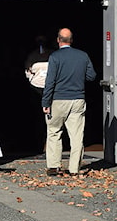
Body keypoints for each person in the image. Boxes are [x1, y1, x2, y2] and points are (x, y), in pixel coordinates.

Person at [41, 27, 97, 176]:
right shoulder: (83, 56)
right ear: (71, 40)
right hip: (78, 99)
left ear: (58, 40)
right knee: (77, 135)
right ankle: (74, 169)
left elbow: (50, 81)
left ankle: (54, 166)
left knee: (54, 132)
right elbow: (91, 76)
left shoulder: (55, 57)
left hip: (58, 100)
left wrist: (46, 102)